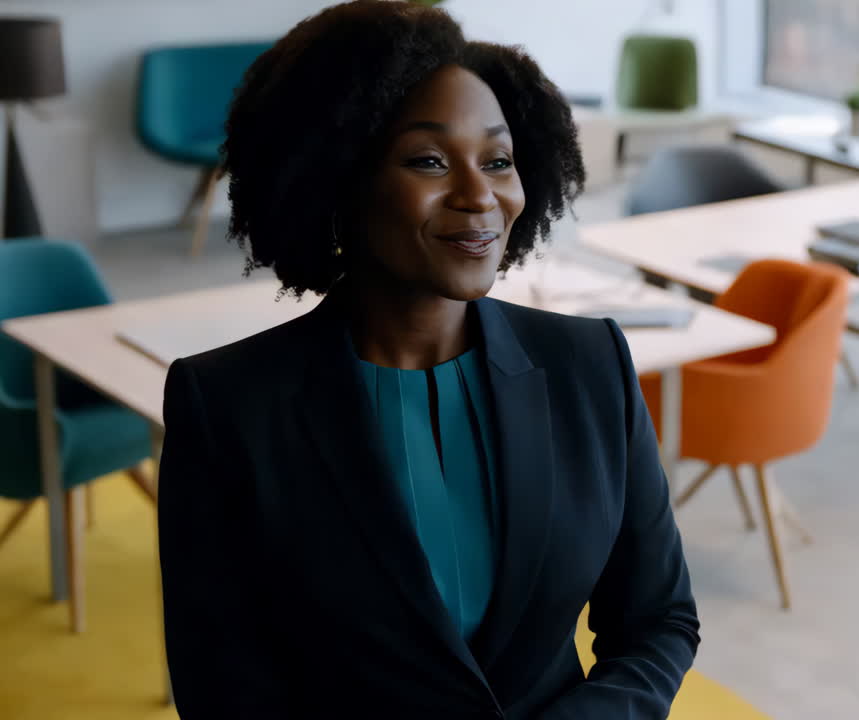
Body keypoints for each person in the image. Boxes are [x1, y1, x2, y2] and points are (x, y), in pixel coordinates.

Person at [157, 2, 698, 718]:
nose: (481, 196)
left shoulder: (589, 365)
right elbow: (225, 692)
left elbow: (659, 620)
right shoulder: (227, 406)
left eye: (498, 160)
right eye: (430, 161)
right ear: (338, 179)